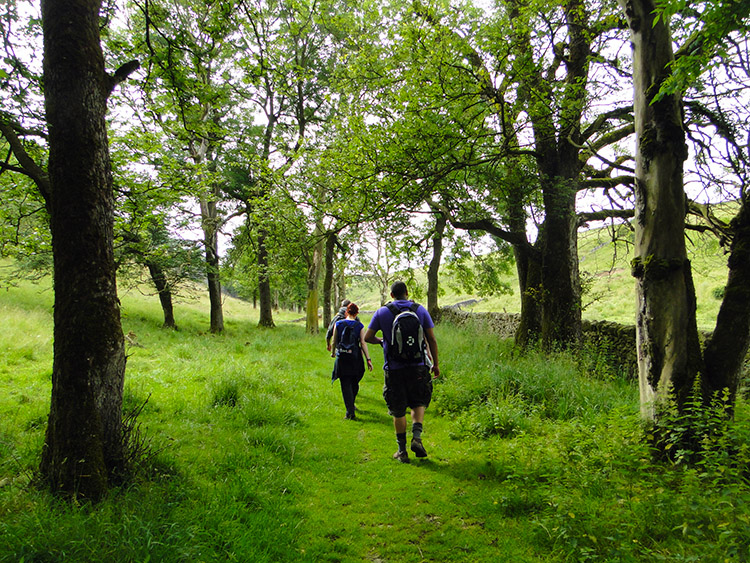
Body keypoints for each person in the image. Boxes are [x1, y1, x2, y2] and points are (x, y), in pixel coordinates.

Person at [365, 281, 439, 463]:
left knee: (398, 410)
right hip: (418, 366)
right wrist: (435, 364)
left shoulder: (382, 312)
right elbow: (431, 339)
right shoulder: (419, 310)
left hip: (394, 369)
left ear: (391, 295)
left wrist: (382, 341)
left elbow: (367, 337)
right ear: (407, 293)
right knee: (418, 401)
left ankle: (401, 451)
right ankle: (417, 437)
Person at [331, 302, 373, 420]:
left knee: (345, 383)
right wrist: (368, 359)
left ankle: (349, 411)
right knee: (354, 382)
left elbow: (334, 341)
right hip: (355, 358)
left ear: (346, 312)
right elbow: (363, 343)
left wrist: (333, 353)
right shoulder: (359, 326)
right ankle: (351, 406)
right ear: (357, 313)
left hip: (342, 358)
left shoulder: (338, 324)